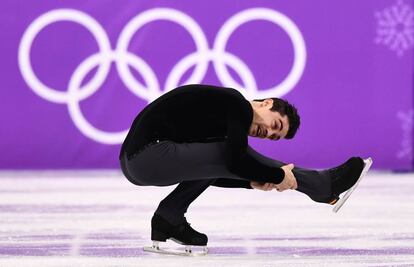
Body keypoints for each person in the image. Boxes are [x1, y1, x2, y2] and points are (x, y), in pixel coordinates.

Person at [119, 84, 366, 254]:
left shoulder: (221, 122)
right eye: (275, 125)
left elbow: (210, 171)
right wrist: (278, 175)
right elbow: (234, 161)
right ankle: (321, 185)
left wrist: (250, 182)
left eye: (273, 137)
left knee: (222, 152)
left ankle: (168, 218)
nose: (268, 133)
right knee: (227, 152)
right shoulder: (237, 103)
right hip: (148, 154)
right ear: (267, 103)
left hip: (138, 162)